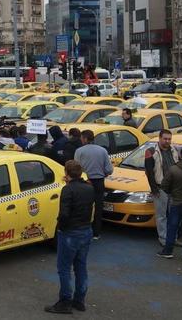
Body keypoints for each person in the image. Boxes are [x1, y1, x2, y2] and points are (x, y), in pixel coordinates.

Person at [45, 160, 95, 314]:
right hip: (86, 230)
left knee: (64, 268)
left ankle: (65, 301)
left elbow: (64, 213)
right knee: (81, 266)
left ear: (66, 173)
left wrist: (60, 227)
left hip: (70, 233)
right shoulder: (89, 188)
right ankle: (79, 300)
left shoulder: (68, 190)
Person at [74, 129, 113, 239]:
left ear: (85, 138)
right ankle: (96, 232)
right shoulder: (102, 151)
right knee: (98, 207)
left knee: (84, 206)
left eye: (82, 138)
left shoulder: (79, 151)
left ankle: (84, 230)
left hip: (85, 182)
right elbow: (109, 169)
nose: (81, 140)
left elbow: (76, 169)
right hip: (99, 181)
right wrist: (103, 174)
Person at [144, 129, 179, 246]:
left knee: (174, 215)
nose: (167, 141)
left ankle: (173, 238)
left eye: (169, 139)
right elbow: (149, 172)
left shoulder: (174, 150)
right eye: (165, 139)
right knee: (161, 216)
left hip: (174, 188)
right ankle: (164, 240)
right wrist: (154, 189)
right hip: (160, 188)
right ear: (159, 138)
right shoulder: (151, 151)